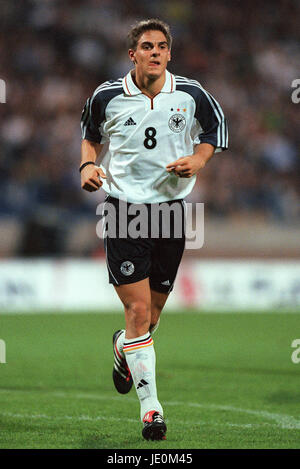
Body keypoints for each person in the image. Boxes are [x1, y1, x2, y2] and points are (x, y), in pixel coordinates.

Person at [80, 18, 228, 441]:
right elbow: (89, 135)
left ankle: (123, 345)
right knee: (138, 312)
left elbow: (216, 131)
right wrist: (88, 164)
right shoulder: (107, 96)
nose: (156, 52)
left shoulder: (191, 93)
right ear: (133, 54)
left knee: (154, 314)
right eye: (147, 46)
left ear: (169, 53)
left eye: (162, 46)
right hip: (125, 211)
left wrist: (199, 159)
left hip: (171, 213)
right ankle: (152, 411)